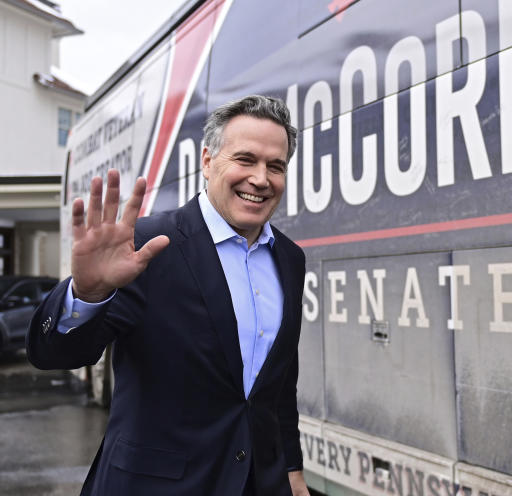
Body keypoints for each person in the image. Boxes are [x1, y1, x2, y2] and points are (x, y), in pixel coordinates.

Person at [27, 95, 310, 496]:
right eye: (245, 160)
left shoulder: (289, 259)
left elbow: (279, 385)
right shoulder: (146, 246)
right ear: (208, 162)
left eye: (275, 166)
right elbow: (53, 354)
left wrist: (292, 469)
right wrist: (87, 293)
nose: (261, 179)